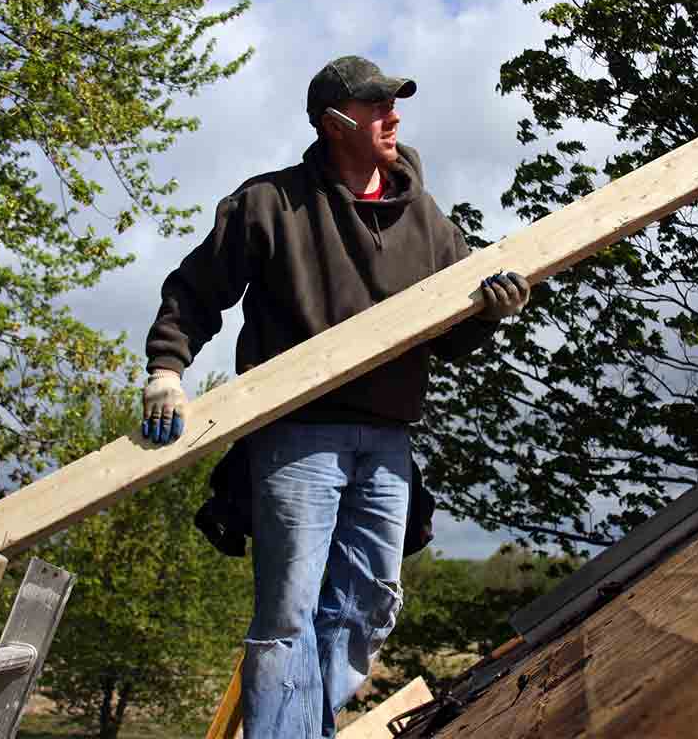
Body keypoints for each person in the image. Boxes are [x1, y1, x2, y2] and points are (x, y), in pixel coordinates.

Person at [141, 55, 530, 738]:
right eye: (378, 106)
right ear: (334, 124)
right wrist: (167, 369)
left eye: (394, 104)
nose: (394, 116)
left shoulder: (426, 219)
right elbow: (196, 290)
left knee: (368, 604)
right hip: (297, 435)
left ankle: (306, 729)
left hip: (386, 441)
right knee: (289, 612)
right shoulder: (271, 204)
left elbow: (450, 338)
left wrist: (490, 313)